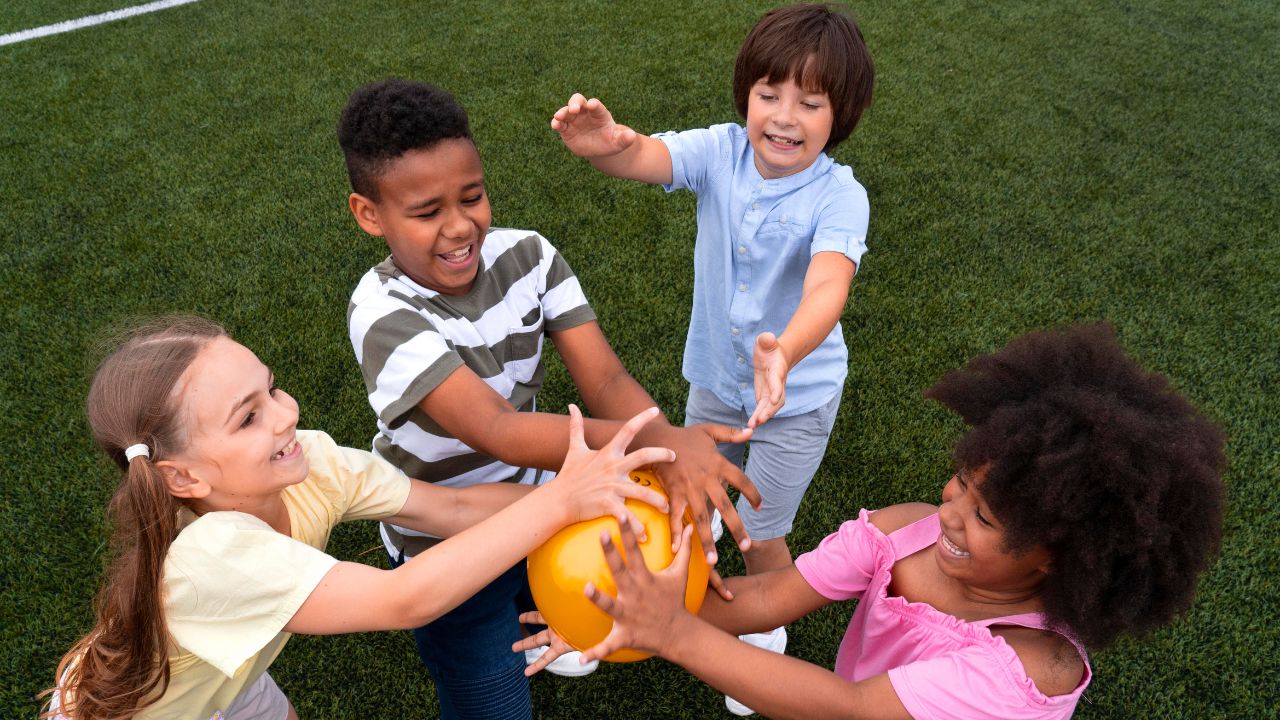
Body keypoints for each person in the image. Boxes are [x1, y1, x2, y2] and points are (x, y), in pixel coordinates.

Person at [519, 324, 1228, 719]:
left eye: (983, 515)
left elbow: (851, 706)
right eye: (960, 480)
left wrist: (672, 633)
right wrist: (620, 612)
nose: (948, 510)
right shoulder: (906, 533)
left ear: (1057, 557)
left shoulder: (1025, 673)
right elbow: (766, 598)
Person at [336, 78, 760, 719]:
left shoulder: (531, 256)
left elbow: (607, 382)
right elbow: (497, 430)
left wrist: (660, 448)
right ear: (370, 214)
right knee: (493, 703)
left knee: (552, 608)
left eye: (472, 196)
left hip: (549, 506)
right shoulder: (381, 313)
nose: (460, 226)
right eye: (426, 212)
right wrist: (661, 446)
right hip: (448, 543)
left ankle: (542, 606)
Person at [42, 316, 674, 720]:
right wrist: (561, 501)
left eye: (272, 389)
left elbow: (450, 508)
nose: (286, 414)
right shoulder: (212, 559)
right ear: (184, 479)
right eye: (249, 417)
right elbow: (405, 598)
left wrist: (585, 497)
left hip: (224, 680)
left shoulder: (311, 463)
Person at [550, 6, 875, 706]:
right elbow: (644, 156)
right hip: (716, 383)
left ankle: (763, 629)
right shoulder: (721, 151)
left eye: (810, 103)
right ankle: (648, 597)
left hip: (797, 398)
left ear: (841, 114)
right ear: (745, 96)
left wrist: (784, 353)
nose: (783, 117)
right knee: (686, 493)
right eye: (768, 94)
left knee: (759, 529)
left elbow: (829, 284)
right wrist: (605, 146)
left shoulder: (841, 197)